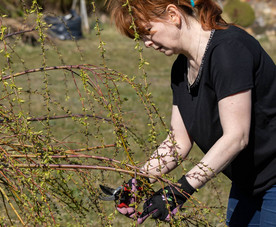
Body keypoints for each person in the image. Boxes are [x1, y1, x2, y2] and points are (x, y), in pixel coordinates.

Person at [107, 0, 276, 225]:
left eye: (147, 32)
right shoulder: (181, 69)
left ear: (173, 14)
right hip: (249, 182)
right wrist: (138, 183)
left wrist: (180, 191)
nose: (146, 43)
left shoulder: (229, 50)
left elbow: (237, 137)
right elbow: (178, 142)